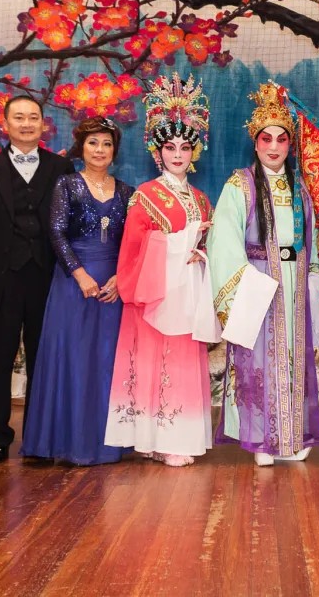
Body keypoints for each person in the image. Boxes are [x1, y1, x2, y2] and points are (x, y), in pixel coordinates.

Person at [208, 83, 319, 466]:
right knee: (258, 360)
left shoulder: (299, 189)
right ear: (255, 143)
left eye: (281, 139)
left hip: (293, 285)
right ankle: (260, 437)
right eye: (266, 139)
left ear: (289, 145)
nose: (274, 147)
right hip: (257, 282)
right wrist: (245, 285)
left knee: (293, 358)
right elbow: (223, 239)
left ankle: (291, 437)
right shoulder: (239, 185)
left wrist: (311, 280)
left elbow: (312, 240)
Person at [104, 74, 217, 466]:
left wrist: (200, 252)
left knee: (182, 363)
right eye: (170, 147)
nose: (178, 155)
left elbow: (207, 248)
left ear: (195, 152)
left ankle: (177, 437)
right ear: (157, 151)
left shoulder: (202, 200)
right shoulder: (146, 195)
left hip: (187, 293)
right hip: (155, 293)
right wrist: (181, 243)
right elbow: (133, 250)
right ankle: (152, 438)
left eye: (185, 147)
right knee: (156, 362)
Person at [20, 117, 134, 465]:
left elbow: (133, 243)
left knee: (105, 362)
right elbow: (56, 233)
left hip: (112, 288)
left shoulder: (128, 192)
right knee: (71, 358)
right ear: (81, 148)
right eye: (93, 143)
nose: (99, 150)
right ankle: (66, 442)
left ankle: (106, 444)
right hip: (73, 284)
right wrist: (80, 274)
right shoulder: (67, 185)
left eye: (106, 144)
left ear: (114, 151)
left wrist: (121, 278)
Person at [0, 95, 74, 464]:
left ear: (44, 123)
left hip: (49, 278)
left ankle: (39, 440)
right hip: (3, 278)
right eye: (19, 118)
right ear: (5, 124)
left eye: (33, 117)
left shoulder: (63, 168)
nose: (26, 124)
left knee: (42, 362)